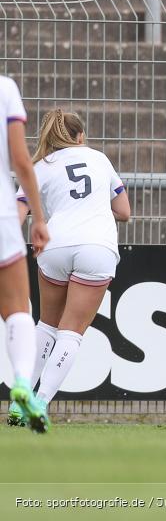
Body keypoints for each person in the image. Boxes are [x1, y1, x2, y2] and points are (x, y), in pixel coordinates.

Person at [7, 108, 130, 428]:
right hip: (96, 247)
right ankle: (41, 401)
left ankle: (19, 401)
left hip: (55, 245)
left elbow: (20, 209)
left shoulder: (40, 166)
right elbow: (124, 210)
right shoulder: (99, 159)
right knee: (71, 333)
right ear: (80, 137)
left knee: (46, 325)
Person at [0, 75, 50, 432]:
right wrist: (38, 216)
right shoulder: (5, 89)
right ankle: (20, 381)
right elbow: (21, 159)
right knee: (18, 308)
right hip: (1, 215)